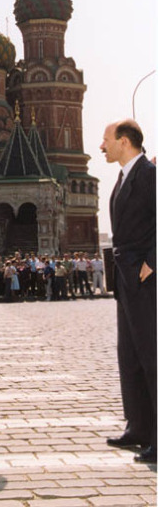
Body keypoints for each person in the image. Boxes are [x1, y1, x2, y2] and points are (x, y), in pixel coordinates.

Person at [101, 119, 156, 463]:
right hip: (126, 277)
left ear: (124, 141)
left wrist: (152, 262)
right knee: (130, 355)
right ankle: (138, 426)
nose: (102, 146)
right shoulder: (124, 177)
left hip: (145, 278)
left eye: (106, 140)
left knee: (152, 356)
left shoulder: (149, 175)